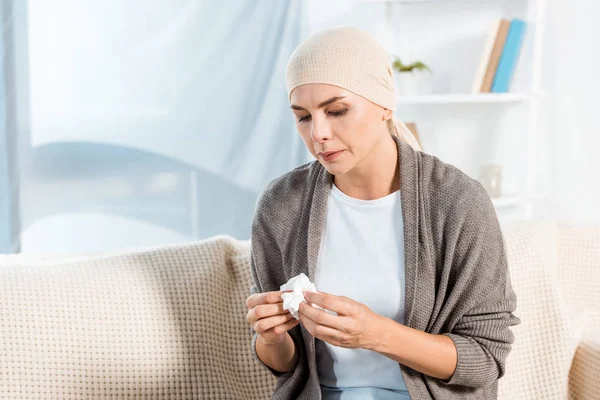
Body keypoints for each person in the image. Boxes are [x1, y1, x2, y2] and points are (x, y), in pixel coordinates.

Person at [245, 26, 520, 400]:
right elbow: (285, 365)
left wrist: (376, 334)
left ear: (385, 104)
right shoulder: (282, 205)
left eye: (337, 110)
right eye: (303, 117)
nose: (318, 133)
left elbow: (485, 358)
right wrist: (270, 336)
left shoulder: (457, 201)